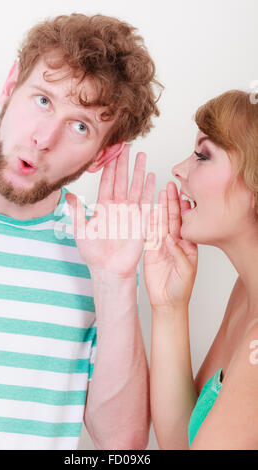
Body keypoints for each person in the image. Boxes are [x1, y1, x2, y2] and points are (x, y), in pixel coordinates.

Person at [0, 13, 162, 450]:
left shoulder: (101, 248)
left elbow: (122, 450)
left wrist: (115, 281)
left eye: (80, 125)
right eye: (44, 100)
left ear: (103, 156)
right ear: (11, 85)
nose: (44, 138)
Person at [145, 89, 258, 449]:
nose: (179, 169)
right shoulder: (246, 291)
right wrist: (169, 308)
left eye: (203, 155)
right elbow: (182, 440)